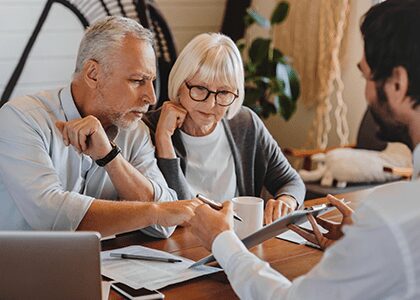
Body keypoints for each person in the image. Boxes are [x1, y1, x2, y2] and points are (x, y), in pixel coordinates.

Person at [188, 0, 420, 299]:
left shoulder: (393, 217)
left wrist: (222, 240)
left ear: (397, 83)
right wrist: (357, 250)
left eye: (365, 76)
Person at [0, 16, 201, 238]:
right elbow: (51, 218)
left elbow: (165, 226)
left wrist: (110, 157)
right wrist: (153, 212)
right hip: (21, 269)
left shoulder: (135, 131)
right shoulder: (20, 119)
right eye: (137, 81)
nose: (151, 97)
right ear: (93, 74)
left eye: (151, 81)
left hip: (104, 267)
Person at [143, 33, 305, 224]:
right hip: (178, 246)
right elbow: (175, 212)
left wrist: (287, 200)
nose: (211, 103)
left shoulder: (244, 123)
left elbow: (291, 182)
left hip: (236, 241)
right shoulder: (149, 128)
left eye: (224, 92)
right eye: (200, 89)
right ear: (180, 84)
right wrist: (164, 140)